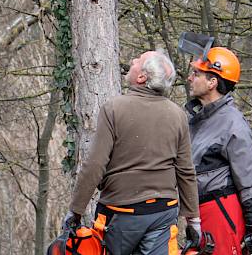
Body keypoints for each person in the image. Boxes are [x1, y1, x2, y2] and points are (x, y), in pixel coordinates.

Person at [62, 50, 201, 255]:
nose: (133, 61)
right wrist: (193, 220)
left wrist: (75, 211)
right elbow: (186, 171)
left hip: (121, 212)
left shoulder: (114, 109)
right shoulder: (178, 115)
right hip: (163, 211)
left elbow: (95, 164)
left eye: (138, 60)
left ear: (142, 77)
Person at [186, 47, 252, 255]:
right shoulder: (198, 120)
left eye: (196, 74)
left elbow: (249, 177)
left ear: (212, 82)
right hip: (198, 214)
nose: (189, 78)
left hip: (221, 212)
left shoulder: (232, 122)